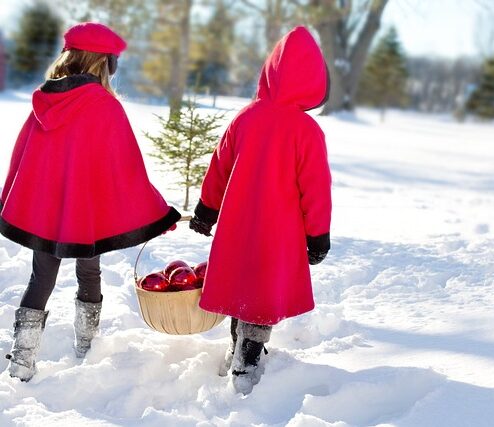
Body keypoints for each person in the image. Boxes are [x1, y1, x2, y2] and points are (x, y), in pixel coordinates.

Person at [0, 22, 181, 382]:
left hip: (48, 213)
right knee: (89, 270)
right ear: (104, 64)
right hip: (86, 210)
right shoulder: (104, 106)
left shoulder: (44, 100)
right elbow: (127, 170)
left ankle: (22, 359)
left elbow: (25, 162)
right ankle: (87, 346)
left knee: (41, 277)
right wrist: (155, 212)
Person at [189, 26, 332, 394]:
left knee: (242, 288)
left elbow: (218, 167)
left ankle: (239, 347)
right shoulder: (306, 130)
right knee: (261, 296)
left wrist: (207, 210)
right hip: (278, 231)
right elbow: (315, 190)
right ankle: (247, 363)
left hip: (237, 226)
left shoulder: (245, 118)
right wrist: (317, 236)